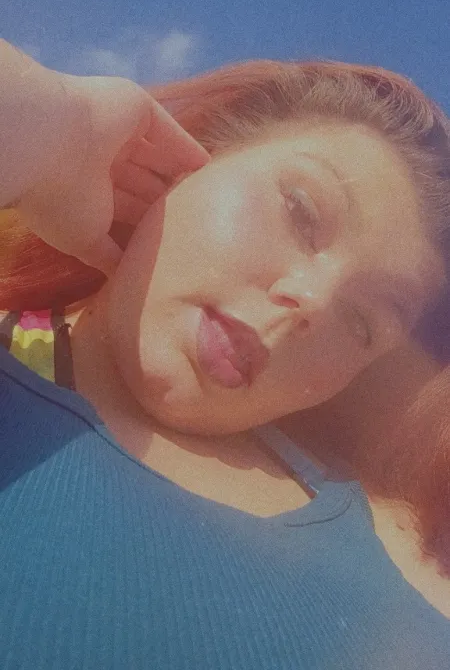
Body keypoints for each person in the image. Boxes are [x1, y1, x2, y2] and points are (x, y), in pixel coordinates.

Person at [0, 38, 449, 669]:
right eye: (301, 211)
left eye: (361, 322)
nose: (312, 301)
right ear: (189, 165)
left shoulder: (396, 558)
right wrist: (52, 121)